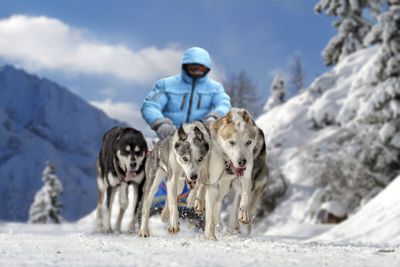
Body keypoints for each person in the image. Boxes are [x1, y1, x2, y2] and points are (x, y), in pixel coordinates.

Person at [141, 47, 231, 140]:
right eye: (193, 67)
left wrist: (214, 117)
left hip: (200, 139)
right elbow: (150, 105)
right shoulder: (165, 85)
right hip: (170, 137)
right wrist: (160, 124)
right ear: (185, 66)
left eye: (201, 67)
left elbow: (224, 104)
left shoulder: (215, 88)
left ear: (207, 69)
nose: (197, 71)